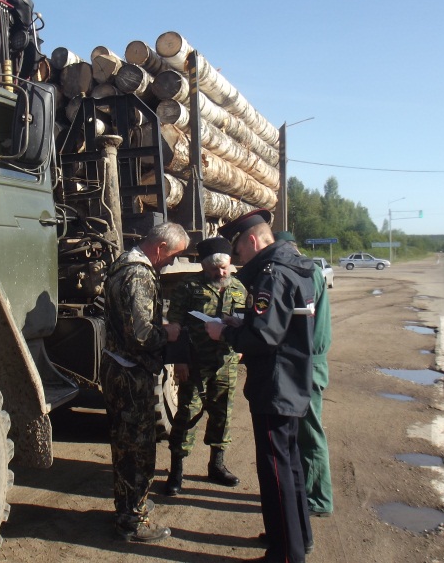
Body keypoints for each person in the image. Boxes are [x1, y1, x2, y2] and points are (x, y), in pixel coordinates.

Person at [206, 210, 315, 563]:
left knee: (276, 470)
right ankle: (298, 538)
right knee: (291, 464)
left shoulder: (272, 275)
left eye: (237, 251)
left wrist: (226, 332)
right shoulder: (294, 266)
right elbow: (279, 323)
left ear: (252, 241)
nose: (237, 259)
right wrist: (245, 320)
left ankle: (285, 554)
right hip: (292, 379)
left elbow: (265, 337)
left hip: (275, 384)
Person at [101, 221, 189, 543]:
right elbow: (141, 335)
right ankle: (132, 521)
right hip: (130, 374)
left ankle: (129, 504)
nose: (172, 262)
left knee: (125, 445)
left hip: (118, 367)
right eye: (173, 256)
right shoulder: (138, 274)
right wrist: (168, 332)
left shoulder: (122, 265)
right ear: (160, 248)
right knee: (137, 451)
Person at [164, 236, 247, 496]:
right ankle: (176, 470)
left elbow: (247, 321)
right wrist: (179, 359)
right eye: (215, 269)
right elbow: (174, 325)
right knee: (187, 413)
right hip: (195, 362)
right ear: (204, 266)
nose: (220, 273)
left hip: (226, 363)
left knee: (222, 414)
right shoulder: (188, 286)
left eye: (224, 268)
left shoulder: (239, 288)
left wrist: (243, 345)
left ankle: (217, 465)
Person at [274, 231, 334, 518]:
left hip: (308, 362)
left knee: (310, 433)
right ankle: (309, 490)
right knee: (306, 432)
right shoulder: (314, 270)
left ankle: (319, 499)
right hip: (312, 360)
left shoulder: (306, 272)